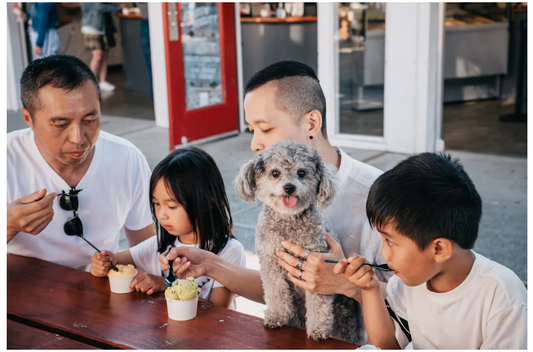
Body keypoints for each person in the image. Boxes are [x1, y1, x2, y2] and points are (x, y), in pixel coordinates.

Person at [160, 61, 390, 344]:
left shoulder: (380, 196)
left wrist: (350, 286)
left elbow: (419, 301)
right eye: (251, 130)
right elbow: (282, 286)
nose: (255, 144)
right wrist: (210, 264)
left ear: (311, 124)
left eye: (265, 129)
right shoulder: (278, 195)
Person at [334, 153, 527, 349]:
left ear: (439, 248)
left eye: (390, 242)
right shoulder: (408, 281)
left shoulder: (501, 294)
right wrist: (370, 290)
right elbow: (387, 347)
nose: (384, 253)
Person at [7, 55, 155, 271]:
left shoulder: (127, 159)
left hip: (101, 291)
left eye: (89, 120)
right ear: (29, 119)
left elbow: (146, 249)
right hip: (22, 294)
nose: (78, 138)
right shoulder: (8, 157)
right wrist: (8, 224)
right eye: (60, 124)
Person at [90, 148, 246, 309]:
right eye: (156, 204)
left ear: (207, 203)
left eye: (172, 206)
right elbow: (115, 261)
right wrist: (103, 263)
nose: (162, 214)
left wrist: (168, 287)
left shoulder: (229, 251)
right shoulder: (159, 244)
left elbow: (218, 311)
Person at [80, 3, 122, 92]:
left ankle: (102, 81)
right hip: (92, 26)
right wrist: (118, 7)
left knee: (105, 54)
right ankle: (91, 84)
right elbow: (98, 6)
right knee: (97, 56)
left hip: (104, 26)